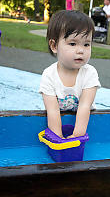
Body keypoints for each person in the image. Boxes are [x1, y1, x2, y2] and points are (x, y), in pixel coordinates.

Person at [39, 10, 101, 139]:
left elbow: (84, 106)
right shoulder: (49, 75)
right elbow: (52, 111)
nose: (80, 50)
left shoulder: (90, 73)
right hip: (57, 118)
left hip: (84, 121)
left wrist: (77, 136)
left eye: (86, 44)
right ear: (54, 45)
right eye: (72, 44)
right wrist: (58, 138)